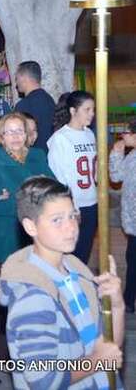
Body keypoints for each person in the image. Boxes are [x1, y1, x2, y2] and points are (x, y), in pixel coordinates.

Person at [0, 176, 125, 389]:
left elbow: (109, 347)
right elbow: (42, 380)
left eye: (72, 215)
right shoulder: (32, 297)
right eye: (57, 220)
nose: (71, 228)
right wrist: (96, 361)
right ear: (30, 226)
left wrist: (117, 305)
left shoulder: (77, 271)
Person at [0, 112, 53, 360]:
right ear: (0, 137)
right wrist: (35, 201)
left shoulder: (38, 156)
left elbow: (52, 192)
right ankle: (3, 357)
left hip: (38, 244)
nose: (16, 136)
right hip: (6, 243)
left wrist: (14, 196)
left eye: (20, 130)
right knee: (5, 305)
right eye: (9, 132)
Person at [47, 91, 98, 264]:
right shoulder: (60, 139)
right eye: (87, 109)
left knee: (84, 254)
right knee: (69, 257)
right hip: (74, 206)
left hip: (92, 201)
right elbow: (60, 178)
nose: (92, 114)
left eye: (93, 109)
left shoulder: (90, 135)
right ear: (73, 111)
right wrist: (72, 207)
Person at [110, 120, 136, 313]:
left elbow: (116, 178)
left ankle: (128, 301)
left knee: (133, 260)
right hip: (133, 222)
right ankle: (129, 299)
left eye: (126, 133)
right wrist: (117, 154)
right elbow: (117, 177)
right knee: (131, 259)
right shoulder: (132, 155)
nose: (122, 136)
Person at [14, 61, 56, 152]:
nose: (16, 83)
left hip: (32, 159)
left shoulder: (23, 105)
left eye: (16, 78)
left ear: (23, 78)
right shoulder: (50, 100)